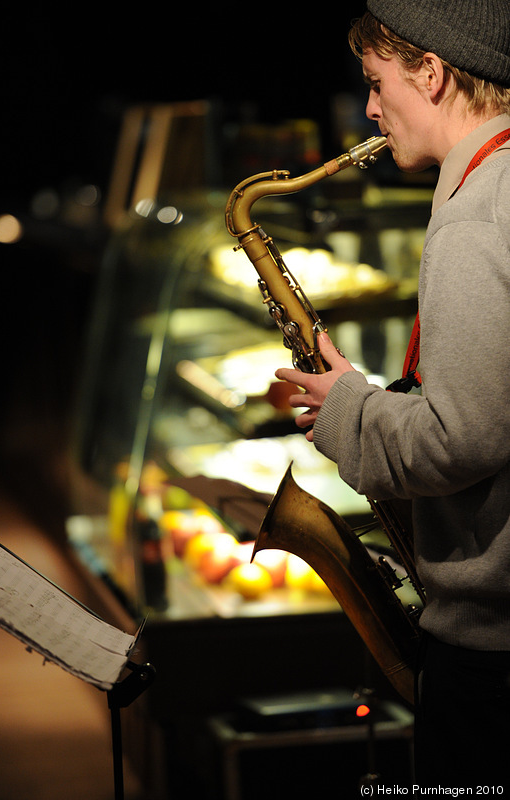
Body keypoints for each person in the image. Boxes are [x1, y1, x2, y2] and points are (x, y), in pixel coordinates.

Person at [275, 0, 510, 790]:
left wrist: (349, 408)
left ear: (433, 73)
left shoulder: (479, 219)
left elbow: (460, 439)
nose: (370, 108)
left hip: (492, 660)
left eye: (378, 82)